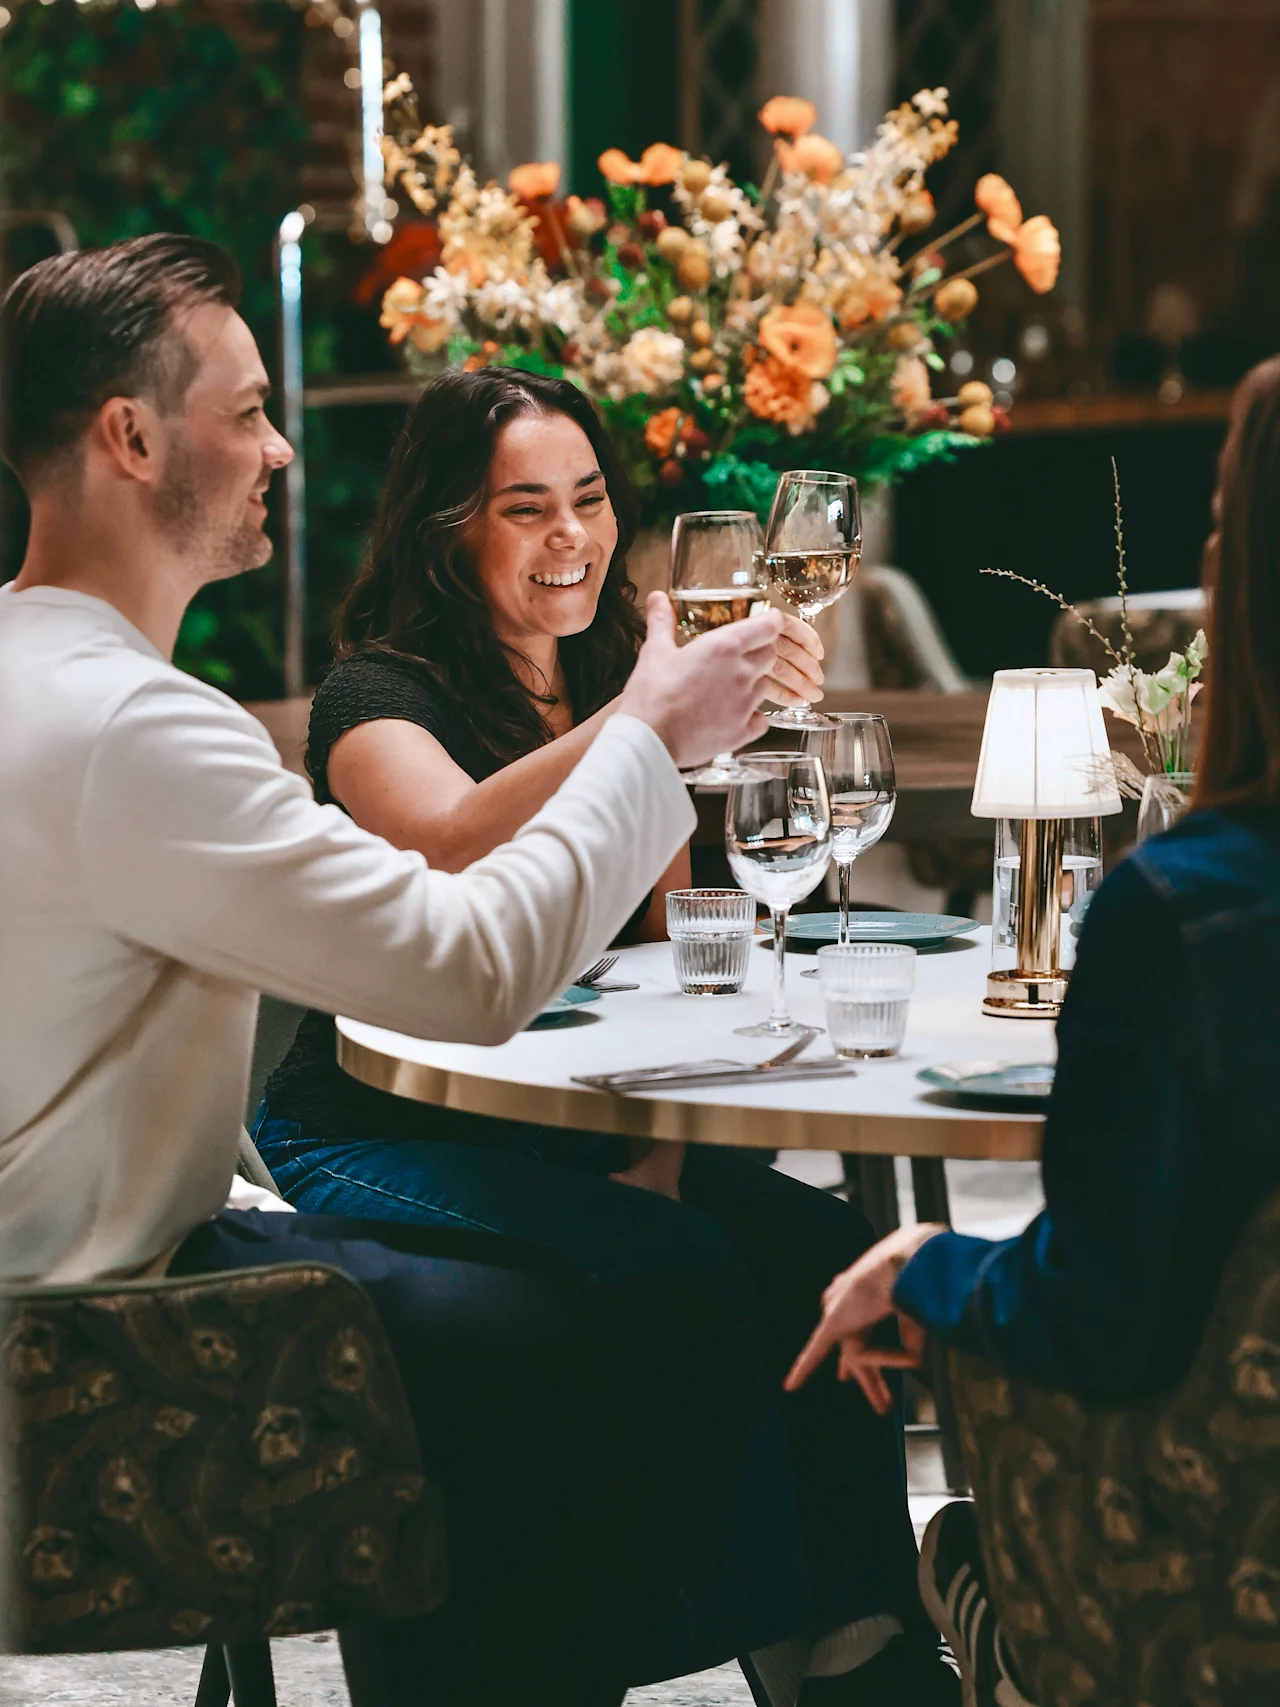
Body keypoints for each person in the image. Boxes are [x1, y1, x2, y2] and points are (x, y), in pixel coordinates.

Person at [0, 233, 793, 1707]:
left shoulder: (35, 676)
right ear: (129, 438)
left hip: (98, 1263)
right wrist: (649, 736)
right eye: (244, 410)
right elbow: (470, 966)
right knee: (661, 1333)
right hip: (96, 1327)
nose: (281, 445)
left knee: (627, 1301)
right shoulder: (139, 730)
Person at [252, 366, 960, 1706]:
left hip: (568, 1114)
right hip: (379, 1123)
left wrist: (734, 736)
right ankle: (753, 1632)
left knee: (819, 1246)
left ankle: (862, 1645)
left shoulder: (598, 682)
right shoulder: (372, 699)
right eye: (526, 509)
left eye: (587, 500)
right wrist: (650, 718)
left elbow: (671, 935)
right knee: (677, 1268)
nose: (570, 536)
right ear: (446, 529)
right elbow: (456, 841)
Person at [786, 357, 1280, 1707]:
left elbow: (1103, 1318)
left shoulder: (1181, 918)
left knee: (916, 1457)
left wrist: (929, 1270)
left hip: (1206, 1586)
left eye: (1227, 523)